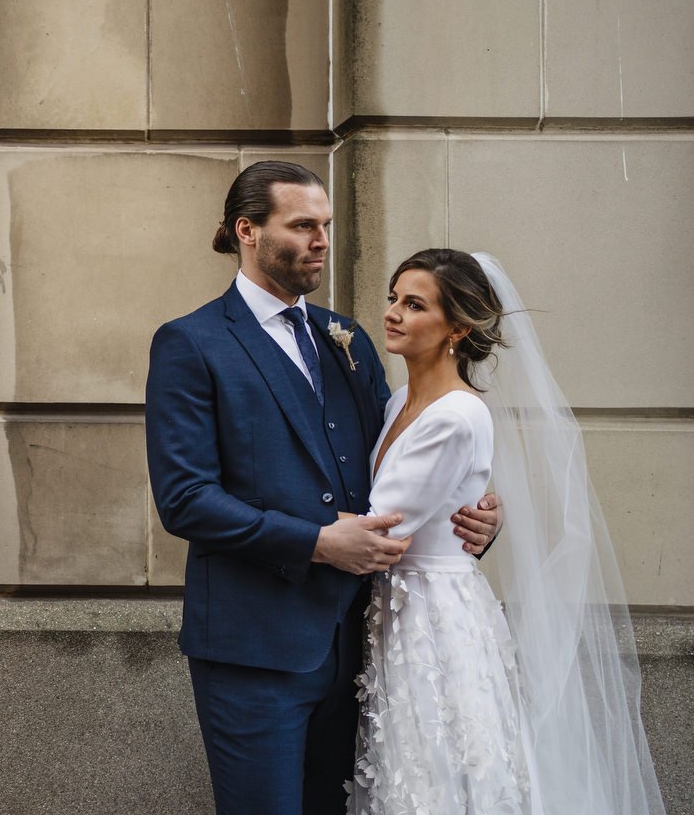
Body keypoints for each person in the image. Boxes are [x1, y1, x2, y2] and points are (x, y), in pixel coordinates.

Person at [144, 161, 502, 815]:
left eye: (327, 226)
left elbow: (392, 466)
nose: (322, 241)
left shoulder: (349, 342)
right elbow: (185, 498)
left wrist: (475, 514)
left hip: (362, 649)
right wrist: (317, 542)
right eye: (303, 225)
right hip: (256, 654)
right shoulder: (190, 344)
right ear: (247, 231)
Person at [350, 249, 665, 815]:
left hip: (431, 620)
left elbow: (383, 524)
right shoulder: (401, 400)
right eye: (393, 297)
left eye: (414, 304)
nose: (393, 313)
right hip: (398, 609)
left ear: (458, 329)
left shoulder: (456, 415)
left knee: (434, 772)